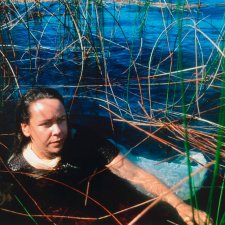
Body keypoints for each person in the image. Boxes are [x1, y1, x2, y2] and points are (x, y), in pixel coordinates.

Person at [4, 87, 212, 225]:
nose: (58, 130)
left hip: (110, 199)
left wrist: (180, 205)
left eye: (62, 120)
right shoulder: (17, 167)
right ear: (26, 128)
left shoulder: (86, 141)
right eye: (46, 124)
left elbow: (136, 175)